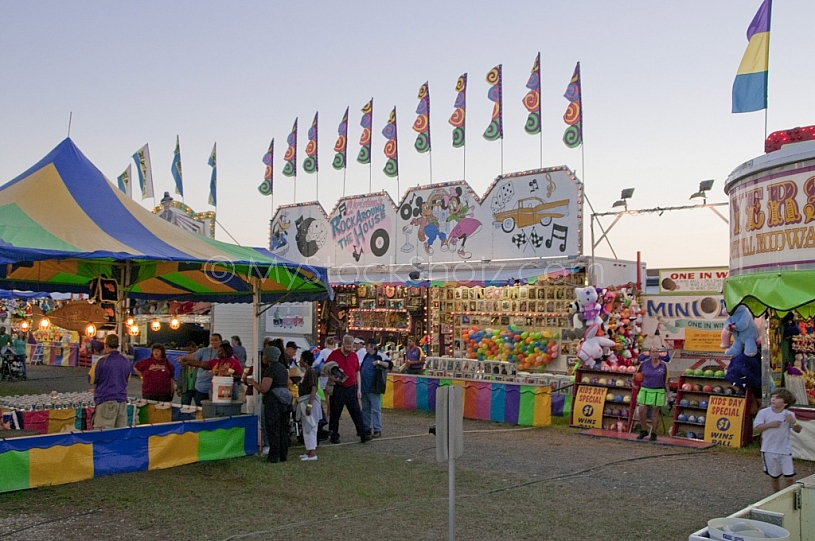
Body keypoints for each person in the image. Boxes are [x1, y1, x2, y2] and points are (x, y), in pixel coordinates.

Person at [245, 346, 290, 463]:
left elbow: (264, 388)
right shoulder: (283, 369)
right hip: (285, 401)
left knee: (273, 428)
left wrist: (251, 382)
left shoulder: (271, 370)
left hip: (273, 402)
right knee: (283, 429)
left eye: (264, 355)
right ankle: (283, 455)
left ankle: (274, 456)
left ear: (268, 356)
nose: (263, 357)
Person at [753, 388, 803, 493]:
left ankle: (790, 496)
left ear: (785, 403)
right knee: (774, 476)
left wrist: (794, 422)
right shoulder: (764, 412)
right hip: (768, 449)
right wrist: (770, 425)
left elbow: (798, 430)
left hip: (785, 450)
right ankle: (776, 495)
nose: (773, 399)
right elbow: (757, 427)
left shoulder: (789, 415)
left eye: (777, 398)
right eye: (773, 397)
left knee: (789, 477)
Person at [326, 334, 371, 444]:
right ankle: (334, 434)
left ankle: (362, 433)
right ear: (342, 344)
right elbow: (326, 368)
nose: (348, 349)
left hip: (351, 387)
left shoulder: (354, 355)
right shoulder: (334, 354)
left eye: (350, 347)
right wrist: (332, 377)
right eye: (346, 347)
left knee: (356, 412)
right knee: (335, 412)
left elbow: (357, 372)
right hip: (338, 387)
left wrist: (358, 389)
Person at [88, 334, 132, 429]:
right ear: (118, 345)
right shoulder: (126, 361)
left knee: (103, 435)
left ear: (105, 345)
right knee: (120, 435)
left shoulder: (101, 361)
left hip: (106, 402)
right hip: (122, 402)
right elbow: (127, 379)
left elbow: (91, 379)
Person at [634, 347, 670, 441]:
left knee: (655, 413)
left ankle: (653, 433)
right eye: (653, 352)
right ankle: (643, 430)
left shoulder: (663, 365)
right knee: (641, 411)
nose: (655, 353)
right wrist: (635, 384)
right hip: (645, 389)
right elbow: (636, 375)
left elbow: (666, 380)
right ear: (649, 354)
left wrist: (669, 394)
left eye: (657, 352)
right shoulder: (644, 364)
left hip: (658, 390)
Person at [359, 337, 393, 438]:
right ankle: (367, 427)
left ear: (372, 346)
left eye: (367, 345)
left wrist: (378, 363)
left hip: (373, 387)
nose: (365, 347)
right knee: (365, 409)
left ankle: (377, 429)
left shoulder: (379, 356)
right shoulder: (366, 356)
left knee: (375, 409)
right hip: (364, 387)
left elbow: (389, 365)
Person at [178, 333, 222, 406]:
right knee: (201, 408)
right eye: (212, 340)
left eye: (216, 340)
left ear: (220, 341)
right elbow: (194, 357)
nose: (213, 342)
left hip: (217, 387)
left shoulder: (223, 352)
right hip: (201, 387)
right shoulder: (204, 350)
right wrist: (184, 358)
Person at [297, 349, 321, 461]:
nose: (299, 361)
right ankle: (309, 450)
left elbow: (314, 388)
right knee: (307, 427)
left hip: (308, 401)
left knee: (310, 427)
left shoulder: (311, 372)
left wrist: (310, 405)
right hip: (306, 401)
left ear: (305, 361)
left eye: (301, 359)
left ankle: (312, 453)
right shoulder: (309, 372)